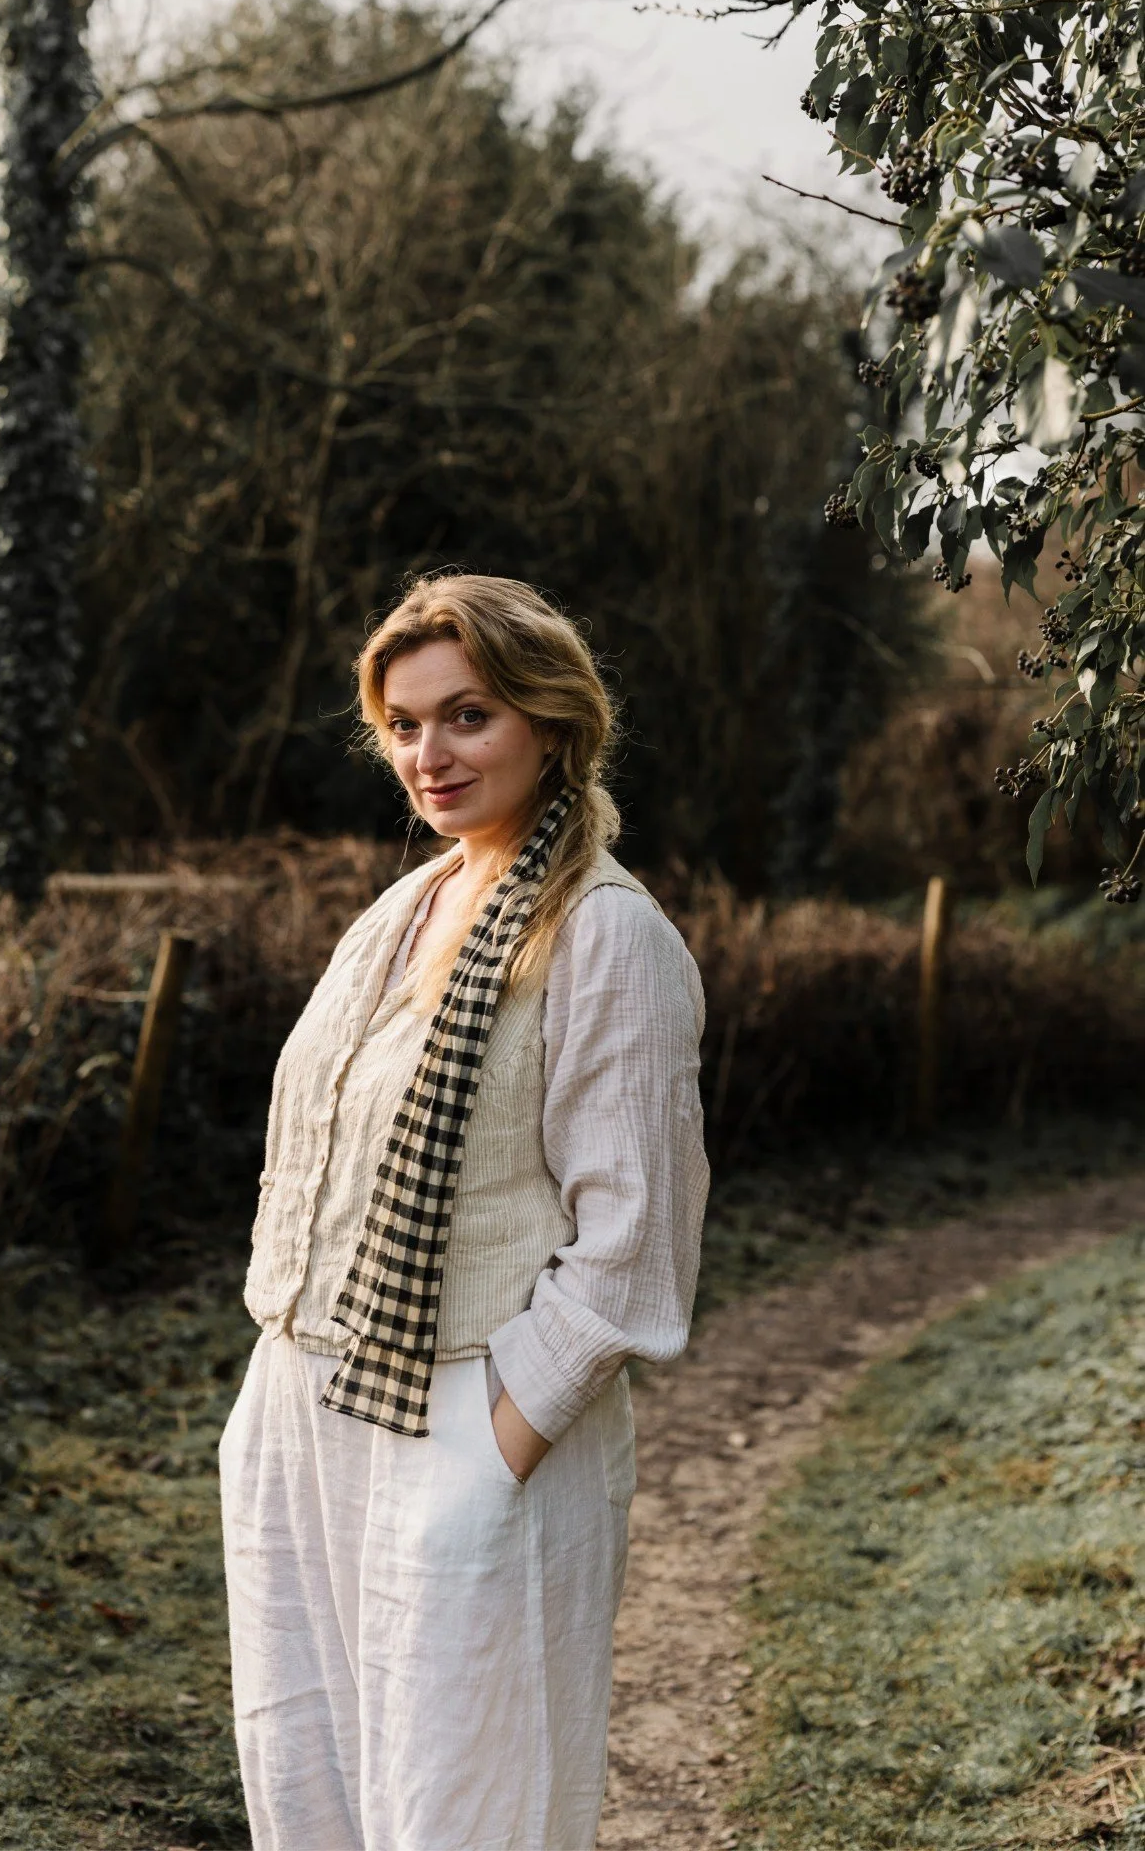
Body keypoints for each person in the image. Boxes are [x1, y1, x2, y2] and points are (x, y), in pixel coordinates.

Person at [219, 572, 709, 1851]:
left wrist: (498, 1446)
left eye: (467, 714)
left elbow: (635, 1243)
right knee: (316, 1768)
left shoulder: (609, 936)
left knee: (466, 1796)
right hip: (309, 1410)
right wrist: (267, 1399)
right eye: (402, 723)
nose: (427, 754)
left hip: (467, 1418)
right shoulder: (404, 909)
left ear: (550, 721)